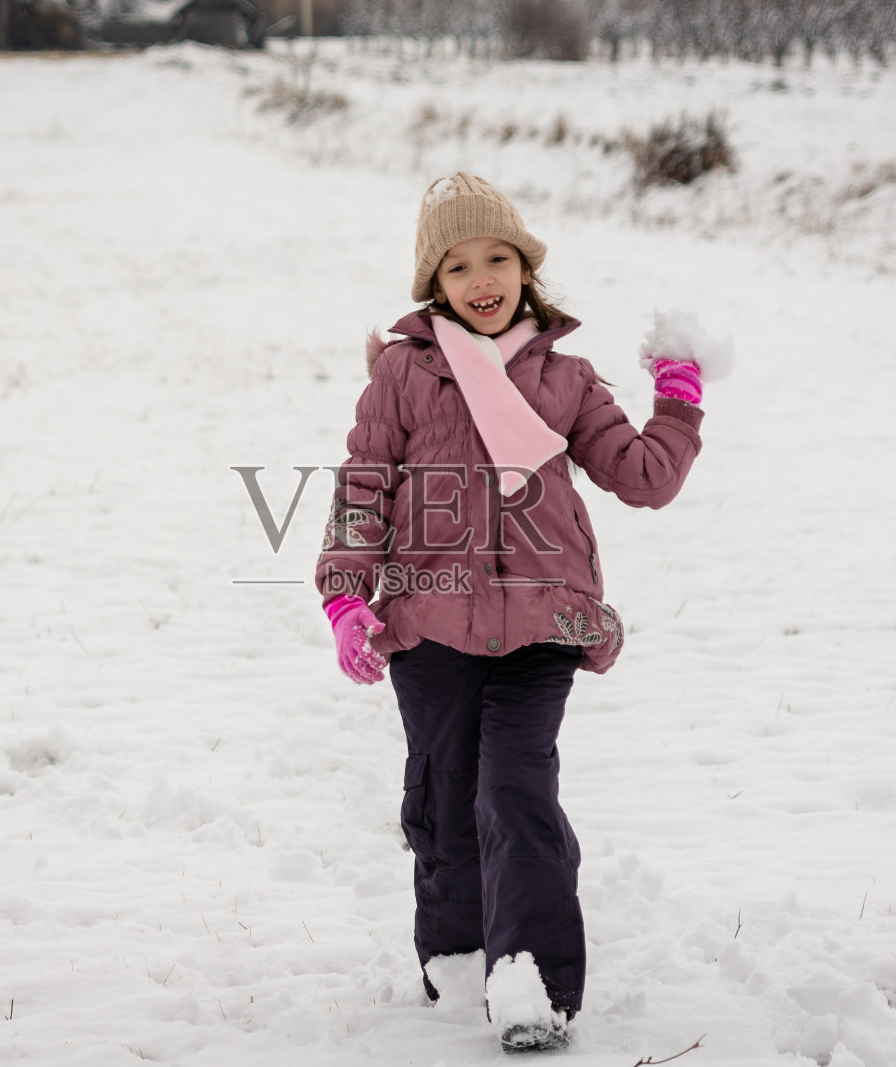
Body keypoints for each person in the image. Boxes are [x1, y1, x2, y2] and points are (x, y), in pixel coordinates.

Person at [314, 172, 710, 1052]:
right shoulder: (403, 379)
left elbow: (644, 477)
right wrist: (346, 594)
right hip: (430, 624)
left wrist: (679, 397)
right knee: (447, 800)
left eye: (497, 257)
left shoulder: (566, 380)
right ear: (435, 285)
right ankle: (458, 961)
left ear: (525, 268)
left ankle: (529, 980)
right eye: (459, 266)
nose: (481, 277)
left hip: (542, 625)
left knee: (516, 791)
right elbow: (364, 487)